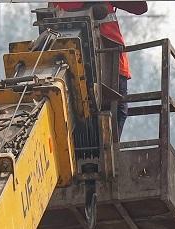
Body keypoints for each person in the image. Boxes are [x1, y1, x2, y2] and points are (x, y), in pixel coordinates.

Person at [51, 2, 148, 138]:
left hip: (66, 65)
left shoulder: (57, 3)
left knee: (78, 116)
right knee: (118, 109)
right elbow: (140, 7)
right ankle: (109, 146)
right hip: (110, 60)